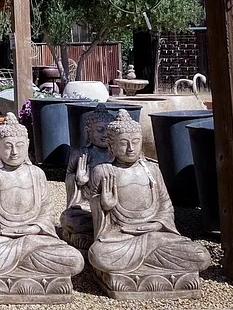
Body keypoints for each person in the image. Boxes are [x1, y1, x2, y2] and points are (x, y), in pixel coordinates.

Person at [88, 110, 210, 298]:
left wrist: (157, 224)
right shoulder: (103, 171)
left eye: (135, 142)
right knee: (99, 254)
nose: (130, 148)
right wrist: (103, 206)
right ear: (111, 146)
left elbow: (166, 206)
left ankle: (140, 272)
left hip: (155, 236)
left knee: (201, 256)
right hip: (122, 240)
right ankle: (157, 272)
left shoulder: (152, 169)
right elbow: (100, 223)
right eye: (123, 143)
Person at [0, 113, 84, 303]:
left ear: (27, 145)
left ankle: (14, 271)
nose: (14, 152)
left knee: (75, 260)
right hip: (1, 242)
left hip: (34, 239)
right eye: (8, 146)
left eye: (19, 146)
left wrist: (35, 229)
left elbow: (47, 213)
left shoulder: (37, 174)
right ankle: (36, 274)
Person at [60, 103, 114, 249]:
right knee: (70, 219)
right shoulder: (80, 154)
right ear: (88, 131)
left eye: (108, 130)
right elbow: (69, 177)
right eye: (100, 130)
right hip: (86, 207)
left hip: (113, 207)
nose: (104, 134)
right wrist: (78, 181)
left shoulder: (116, 154)